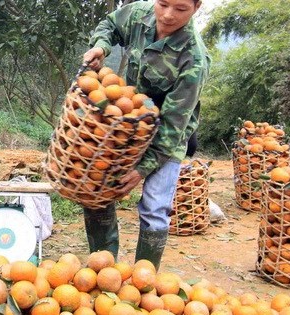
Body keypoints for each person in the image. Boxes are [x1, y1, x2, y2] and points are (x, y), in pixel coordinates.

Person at [82, 0, 210, 269]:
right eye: (162, 3)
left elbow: (174, 126)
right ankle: (104, 271)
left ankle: (143, 284)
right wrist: (101, 46)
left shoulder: (194, 59)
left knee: (154, 210)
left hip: (168, 137)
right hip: (126, 127)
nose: (167, 15)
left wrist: (141, 170)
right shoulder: (139, 14)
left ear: (197, 7)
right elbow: (110, 24)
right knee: (98, 190)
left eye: (180, 8)